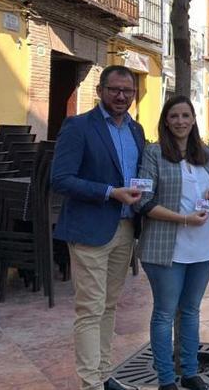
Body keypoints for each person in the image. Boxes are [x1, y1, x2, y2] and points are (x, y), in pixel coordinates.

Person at [51, 65, 145, 390]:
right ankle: (90, 383)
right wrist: (109, 192)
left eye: (127, 91)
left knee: (108, 306)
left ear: (134, 94)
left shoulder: (136, 131)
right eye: (114, 90)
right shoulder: (78, 127)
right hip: (90, 229)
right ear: (100, 91)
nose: (121, 96)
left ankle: (105, 376)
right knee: (90, 309)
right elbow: (60, 179)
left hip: (125, 228)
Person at [134, 96, 209, 390]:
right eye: (174, 116)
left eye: (185, 115)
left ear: (194, 119)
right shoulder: (154, 153)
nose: (181, 121)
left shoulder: (206, 153)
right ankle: (167, 379)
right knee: (165, 313)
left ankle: (190, 372)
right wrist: (182, 219)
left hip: (203, 245)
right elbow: (142, 201)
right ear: (166, 122)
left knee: (192, 310)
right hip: (166, 246)